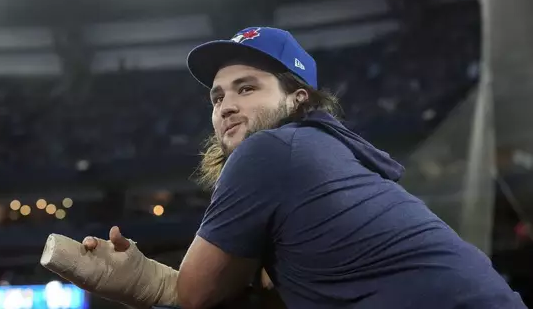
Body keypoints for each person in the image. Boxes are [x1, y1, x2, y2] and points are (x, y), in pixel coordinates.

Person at [73, 26, 526, 309]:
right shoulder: (322, 150)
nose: (227, 106)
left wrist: (135, 278)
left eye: (247, 88)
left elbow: (196, 294)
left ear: (298, 97)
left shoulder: (269, 151)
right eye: (217, 96)